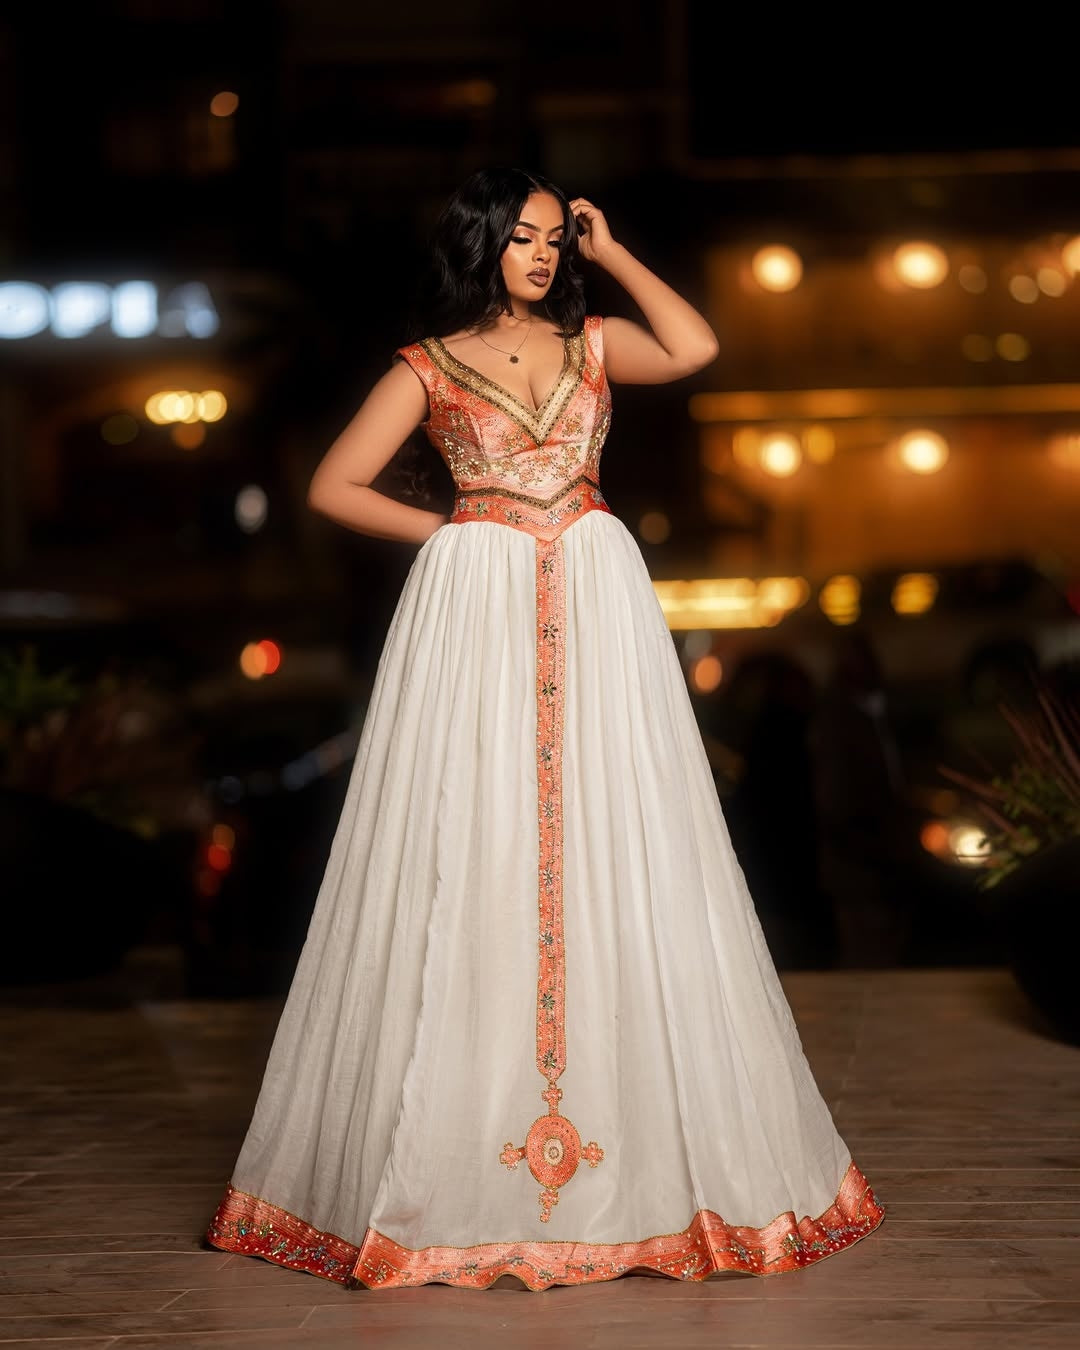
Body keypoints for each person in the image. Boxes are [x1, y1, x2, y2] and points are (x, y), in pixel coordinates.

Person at [205, 167, 884, 1290]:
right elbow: (335, 484)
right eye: (523, 238)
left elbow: (699, 346)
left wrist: (612, 252)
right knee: (477, 834)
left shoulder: (599, 340)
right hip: (481, 596)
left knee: (624, 827)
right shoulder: (425, 365)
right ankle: (458, 1148)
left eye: (552, 240)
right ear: (479, 243)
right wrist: (453, 534)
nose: (542, 255)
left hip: (599, 588)